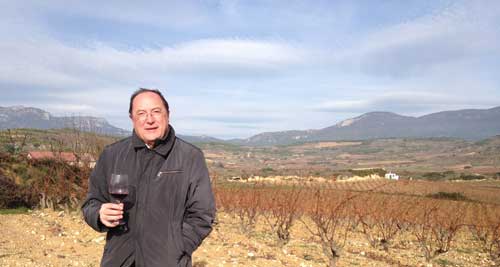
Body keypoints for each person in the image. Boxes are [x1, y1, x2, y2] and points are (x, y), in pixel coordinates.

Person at [82, 88, 216, 267]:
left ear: (167, 114)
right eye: (141, 113)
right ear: (132, 118)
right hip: (118, 260)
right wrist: (99, 214)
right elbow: (91, 202)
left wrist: (177, 247)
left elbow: (202, 214)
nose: (149, 120)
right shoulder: (112, 155)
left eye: (156, 112)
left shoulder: (190, 157)